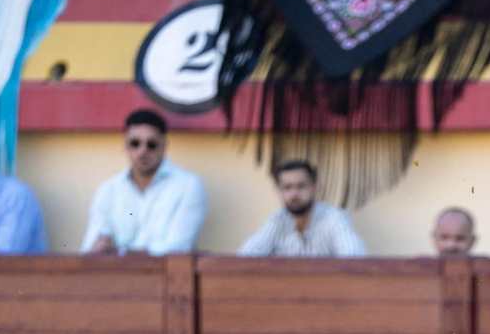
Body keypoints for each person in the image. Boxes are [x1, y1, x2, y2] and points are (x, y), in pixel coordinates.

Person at [82, 109, 207, 256]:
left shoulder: (188, 186)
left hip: (166, 277)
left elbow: (179, 247)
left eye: (151, 144)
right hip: (115, 276)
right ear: (126, 146)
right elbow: (93, 246)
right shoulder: (108, 189)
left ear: (164, 146)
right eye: (135, 143)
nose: (143, 151)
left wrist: (121, 253)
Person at [238, 161, 366, 258]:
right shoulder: (278, 220)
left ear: (315, 189)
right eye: (287, 188)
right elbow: (244, 257)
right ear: (280, 191)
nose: (294, 194)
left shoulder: (334, 219)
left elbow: (356, 260)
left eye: (301, 186)